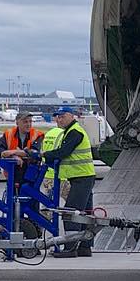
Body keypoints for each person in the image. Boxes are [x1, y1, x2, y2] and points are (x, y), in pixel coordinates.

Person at [38, 106, 96, 257]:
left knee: (70, 213)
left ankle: (70, 248)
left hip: (81, 178)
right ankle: (85, 247)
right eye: (57, 116)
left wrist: (44, 155)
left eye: (62, 116)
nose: (59, 119)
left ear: (71, 116)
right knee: (85, 214)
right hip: (83, 177)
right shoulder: (70, 131)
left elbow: (64, 152)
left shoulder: (75, 132)